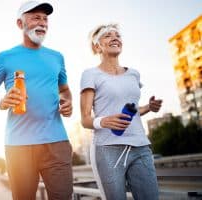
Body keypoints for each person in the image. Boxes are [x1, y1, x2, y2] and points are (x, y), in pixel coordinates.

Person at [0, 1, 73, 199]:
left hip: (56, 143)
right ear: (20, 24)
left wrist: (67, 102)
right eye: (35, 17)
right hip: (18, 145)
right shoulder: (5, 57)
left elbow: (65, 90)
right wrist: (0, 103)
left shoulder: (57, 57)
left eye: (45, 19)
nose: (42, 22)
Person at [80, 23, 163, 200]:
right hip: (108, 149)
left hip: (140, 146)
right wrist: (103, 121)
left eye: (117, 35)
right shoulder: (90, 75)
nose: (115, 37)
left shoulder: (134, 74)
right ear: (97, 46)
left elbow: (131, 111)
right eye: (108, 35)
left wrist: (149, 107)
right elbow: (85, 119)